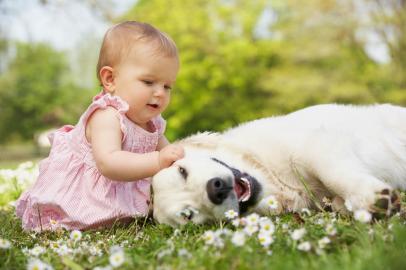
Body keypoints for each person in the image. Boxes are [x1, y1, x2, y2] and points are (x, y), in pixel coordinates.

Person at [16, 21, 184, 231]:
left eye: (167, 86)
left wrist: (180, 161)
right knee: (68, 220)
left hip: (118, 194)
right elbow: (109, 163)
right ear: (110, 79)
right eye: (149, 82)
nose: (160, 92)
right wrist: (158, 160)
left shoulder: (153, 123)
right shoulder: (106, 115)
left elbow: (171, 154)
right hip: (84, 195)